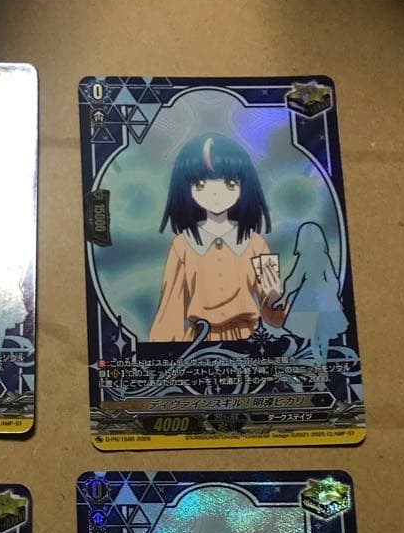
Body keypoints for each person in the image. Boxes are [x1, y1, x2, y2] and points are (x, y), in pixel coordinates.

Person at [149, 134, 285, 343]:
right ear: (186, 188)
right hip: (200, 341)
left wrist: (278, 300)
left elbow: (273, 306)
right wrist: (163, 353)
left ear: (243, 186)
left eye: (229, 183)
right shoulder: (182, 245)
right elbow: (171, 306)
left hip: (248, 339)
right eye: (200, 183)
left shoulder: (256, 243)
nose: (215, 194)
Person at [281, 221, 348, 363]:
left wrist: (285, 297)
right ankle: (321, 364)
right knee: (319, 334)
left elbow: (294, 280)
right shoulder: (320, 257)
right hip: (316, 296)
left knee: (315, 335)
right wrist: (333, 295)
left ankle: (320, 364)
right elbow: (295, 279)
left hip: (312, 297)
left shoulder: (311, 257)